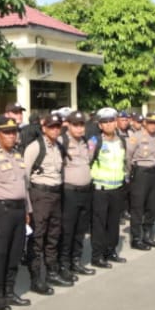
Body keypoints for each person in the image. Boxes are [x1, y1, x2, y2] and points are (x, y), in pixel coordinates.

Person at [0, 114, 36, 308]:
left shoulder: (16, 153)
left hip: (18, 210)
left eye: (13, 132)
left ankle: (10, 291)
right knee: (0, 254)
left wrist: (27, 210)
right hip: (0, 209)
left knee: (14, 253)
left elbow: (24, 184)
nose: (12, 136)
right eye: (7, 133)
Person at [23, 114, 69, 289]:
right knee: (37, 237)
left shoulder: (58, 146)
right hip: (39, 195)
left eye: (58, 127)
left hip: (56, 194)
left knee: (53, 235)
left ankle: (51, 272)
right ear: (44, 128)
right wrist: (27, 204)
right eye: (51, 127)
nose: (55, 130)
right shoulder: (35, 147)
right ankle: (36, 278)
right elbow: (25, 176)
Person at [87, 108, 128, 269]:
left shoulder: (121, 141)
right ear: (100, 125)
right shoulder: (95, 141)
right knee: (99, 224)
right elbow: (88, 162)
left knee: (113, 223)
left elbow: (125, 162)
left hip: (117, 188)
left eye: (111, 121)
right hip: (100, 190)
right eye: (105, 122)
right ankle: (97, 256)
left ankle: (110, 251)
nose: (109, 124)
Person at [56, 111, 96, 277]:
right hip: (69, 191)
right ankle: (63, 265)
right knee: (67, 230)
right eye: (76, 125)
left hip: (85, 191)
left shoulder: (85, 141)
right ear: (68, 125)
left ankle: (76, 261)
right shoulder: (61, 141)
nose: (80, 128)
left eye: (82, 125)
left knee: (80, 229)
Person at [126, 114, 155, 250]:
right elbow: (128, 156)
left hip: (153, 172)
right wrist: (130, 173)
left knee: (152, 206)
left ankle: (147, 235)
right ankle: (136, 238)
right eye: (151, 123)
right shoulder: (136, 136)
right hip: (140, 172)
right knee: (138, 207)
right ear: (145, 123)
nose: (153, 125)